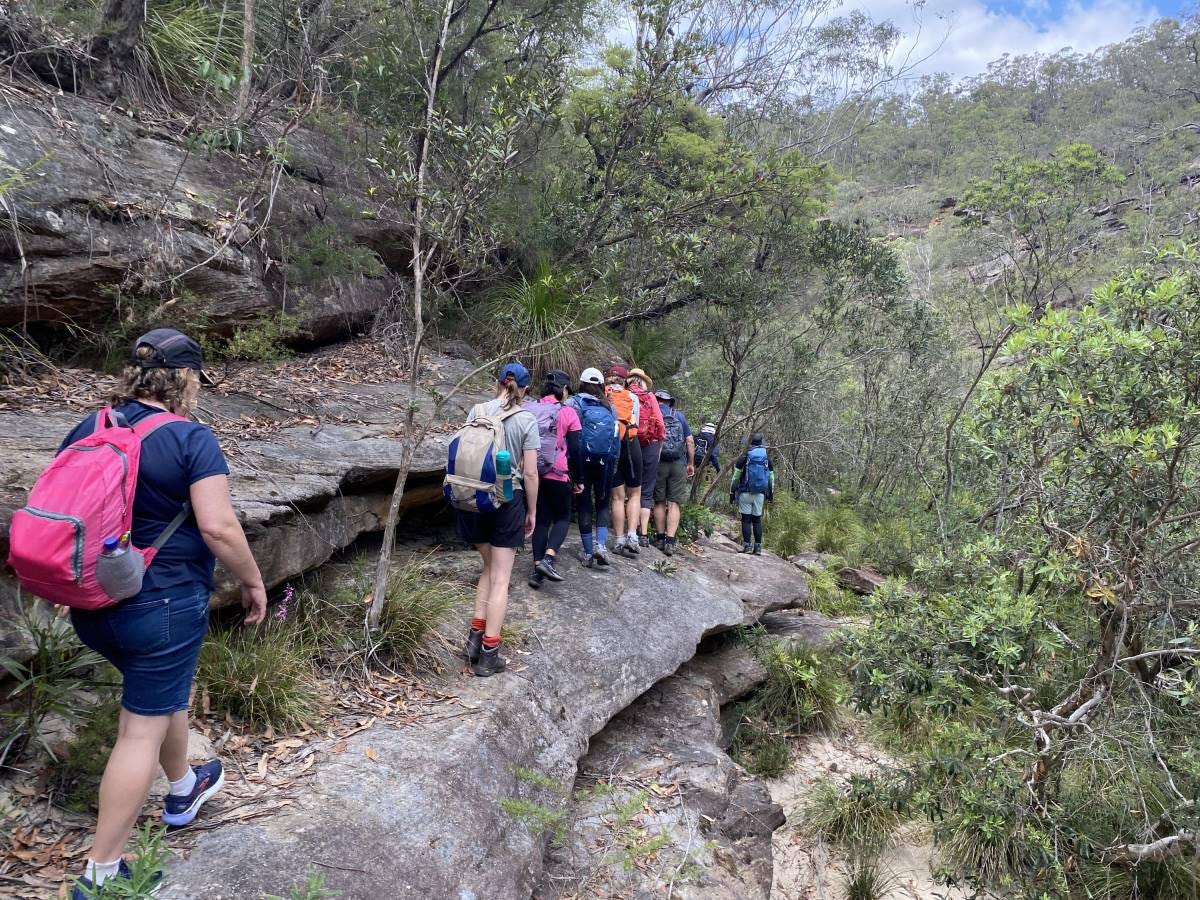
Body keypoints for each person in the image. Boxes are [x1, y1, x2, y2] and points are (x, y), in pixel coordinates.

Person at [62, 329, 267, 899]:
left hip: (93, 602)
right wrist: (253, 581)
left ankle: (183, 786)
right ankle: (101, 875)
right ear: (185, 380)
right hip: (161, 606)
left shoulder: (91, 426)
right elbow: (219, 527)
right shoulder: (190, 439)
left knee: (158, 693)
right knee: (138, 732)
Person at [460, 363, 540, 677]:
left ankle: (474, 640)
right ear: (525, 390)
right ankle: (490, 653)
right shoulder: (526, 419)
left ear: (498, 383)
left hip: (473, 497)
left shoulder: (476, 410)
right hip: (508, 501)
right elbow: (531, 472)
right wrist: (532, 511)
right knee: (501, 578)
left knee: (489, 568)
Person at [527, 369, 583, 589]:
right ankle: (549, 559)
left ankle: (536, 571)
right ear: (565, 390)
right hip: (559, 473)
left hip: (534, 473)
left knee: (540, 519)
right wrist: (578, 479)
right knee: (562, 516)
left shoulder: (529, 408)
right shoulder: (568, 413)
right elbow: (576, 449)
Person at [566, 367, 618, 567]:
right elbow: (615, 439)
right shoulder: (609, 407)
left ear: (581, 383)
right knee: (603, 502)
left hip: (580, 460)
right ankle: (601, 545)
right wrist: (613, 464)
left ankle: (588, 552)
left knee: (584, 503)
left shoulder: (574, 403)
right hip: (605, 461)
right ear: (601, 386)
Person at [604, 364, 643, 557]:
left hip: (611, 447)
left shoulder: (602, 396)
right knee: (634, 494)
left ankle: (619, 540)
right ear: (625, 379)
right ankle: (632, 536)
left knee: (617, 497)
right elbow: (636, 421)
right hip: (630, 444)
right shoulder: (632, 397)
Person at [652, 390, 695, 556]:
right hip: (678, 463)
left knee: (659, 502)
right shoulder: (680, 416)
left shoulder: (653, 413)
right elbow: (690, 441)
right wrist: (690, 463)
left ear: (656, 400)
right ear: (670, 402)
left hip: (659, 462)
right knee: (674, 503)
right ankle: (670, 541)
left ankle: (660, 537)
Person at [626, 368, 664, 547]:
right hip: (650, 444)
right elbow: (660, 425)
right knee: (646, 490)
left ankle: (627, 528)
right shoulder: (650, 397)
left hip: (629, 442)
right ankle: (643, 534)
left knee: (629, 488)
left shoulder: (624, 395)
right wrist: (658, 447)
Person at [730, 434, 775, 555]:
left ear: (749, 443)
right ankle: (758, 548)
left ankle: (747, 547)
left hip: (745, 492)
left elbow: (735, 478)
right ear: (761, 443)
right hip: (760, 494)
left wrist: (732, 491)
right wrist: (771, 494)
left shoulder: (744, 458)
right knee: (757, 520)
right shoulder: (766, 460)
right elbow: (771, 479)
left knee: (746, 520)